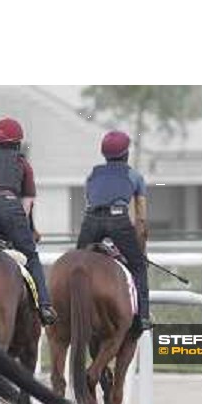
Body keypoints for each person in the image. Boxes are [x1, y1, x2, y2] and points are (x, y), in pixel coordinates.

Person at [0, 117, 57, 326]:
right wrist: (18, 227)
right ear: (18, 143)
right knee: (31, 256)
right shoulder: (22, 163)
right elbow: (27, 203)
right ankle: (44, 305)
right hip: (10, 207)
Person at [76, 130, 151, 332]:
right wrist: (140, 251)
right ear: (126, 154)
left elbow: (91, 199)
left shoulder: (92, 174)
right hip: (118, 220)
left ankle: (73, 310)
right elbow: (141, 219)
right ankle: (143, 316)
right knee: (138, 267)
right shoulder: (134, 176)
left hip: (91, 219)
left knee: (76, 264)